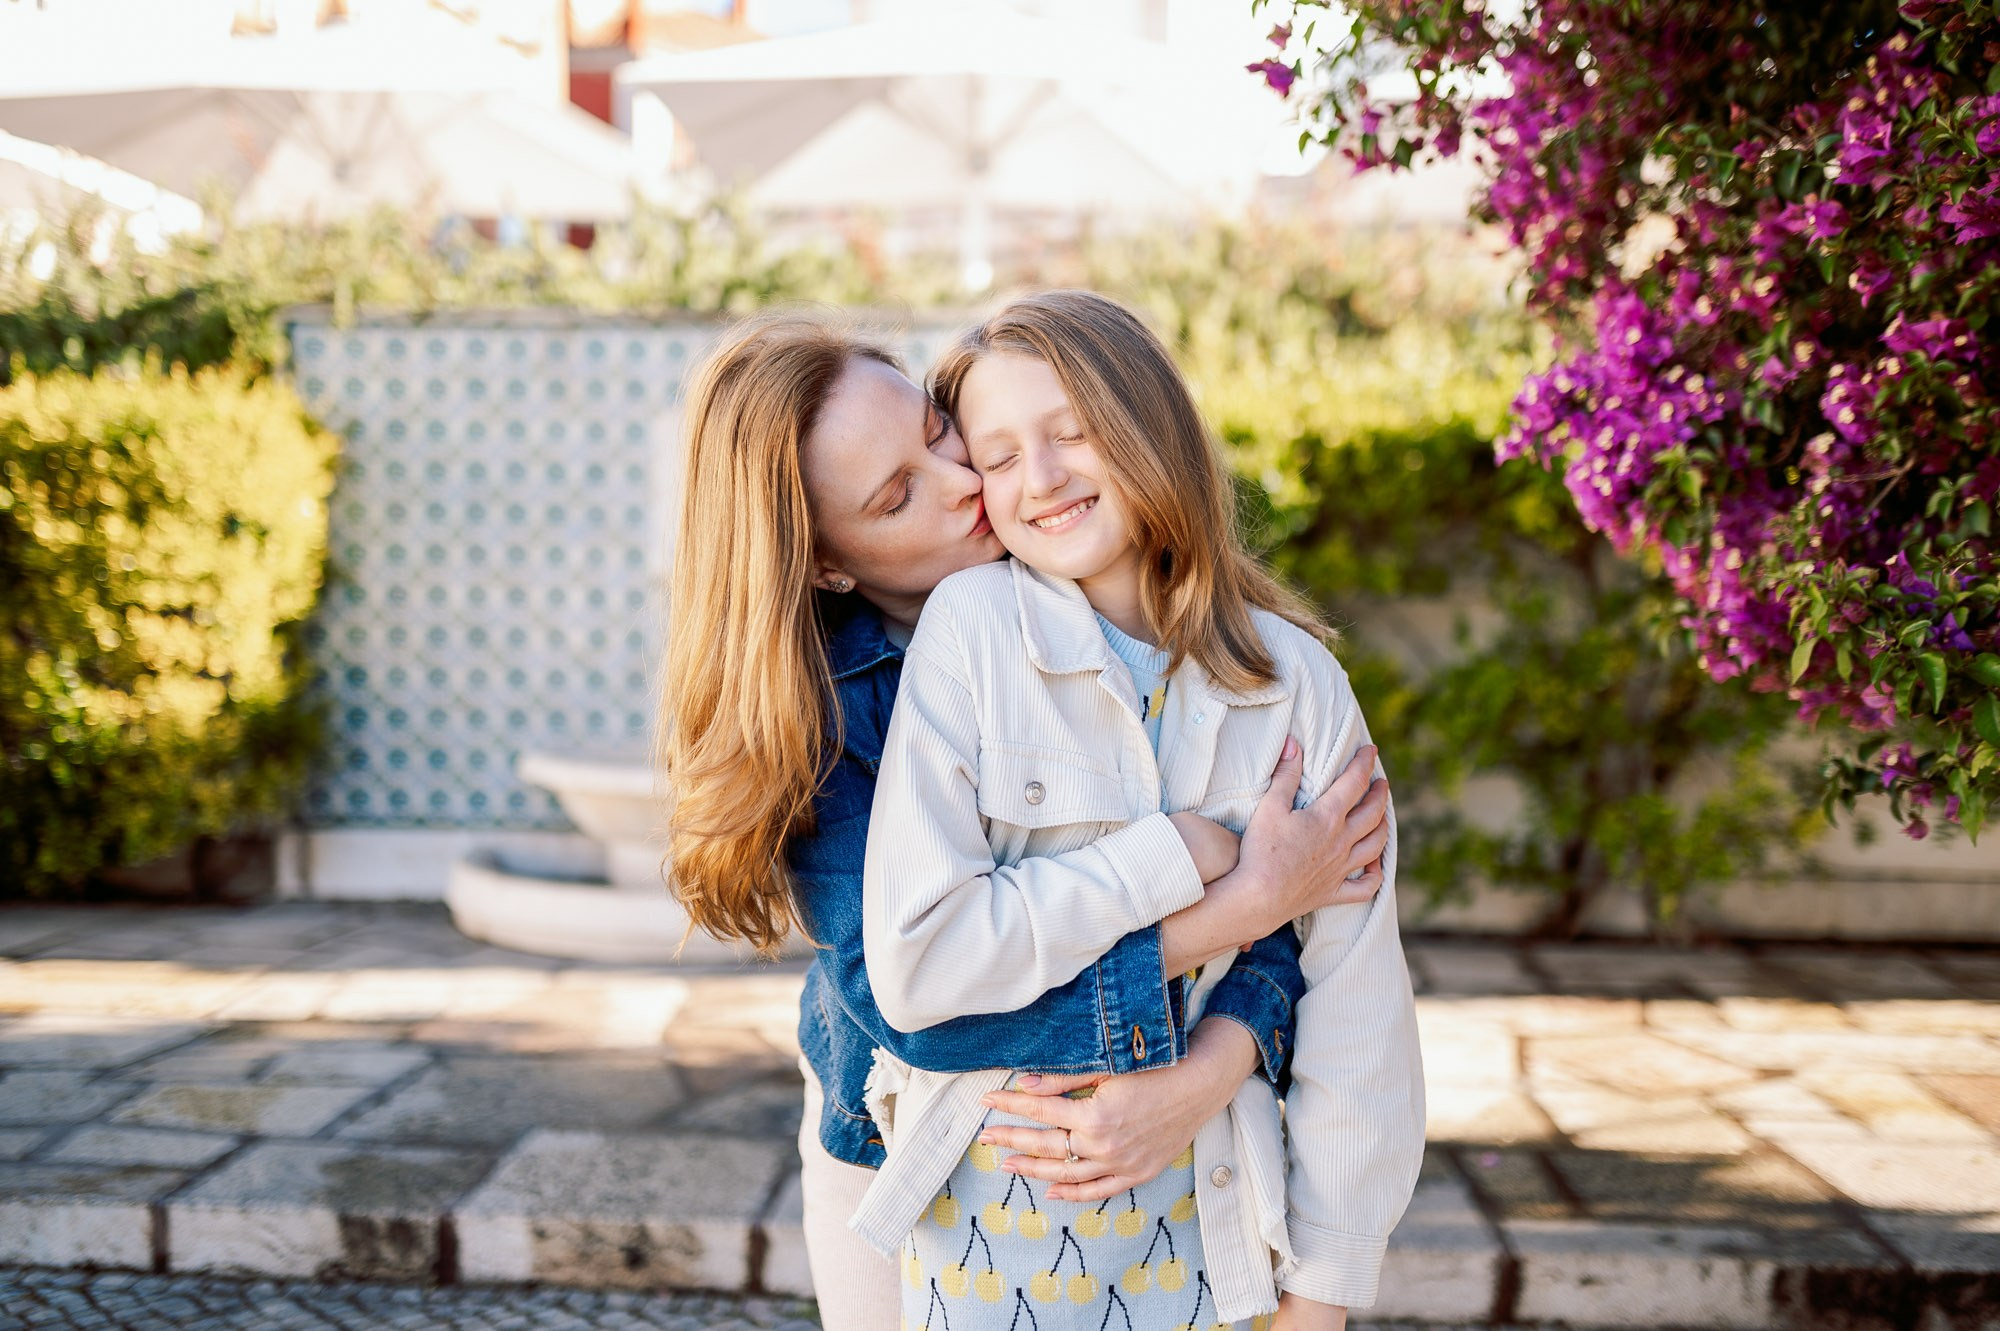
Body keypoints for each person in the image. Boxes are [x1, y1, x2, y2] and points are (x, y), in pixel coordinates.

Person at [660, 312, 1394, 1331]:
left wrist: (1218, 1053)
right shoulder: (828, 714)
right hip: (906, 1160)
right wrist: (1238, 901)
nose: (970, 481)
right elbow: (922, 1003)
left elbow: (1313, 945)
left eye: (937, 430)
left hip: (1169, 1191)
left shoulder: (1215, 660)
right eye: (897, 493)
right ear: (829, 562)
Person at [852, 291, 1425, 1331]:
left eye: (1073, 432)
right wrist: (1175, 859)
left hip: (1215, 1247)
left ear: (1149, 427)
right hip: (988, 1251)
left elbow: (1356, 1003)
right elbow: (920, 960)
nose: (1044, 476)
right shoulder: (971, 629)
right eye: (1000, 453)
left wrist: (1324, 1289)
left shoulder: (1293, 680)